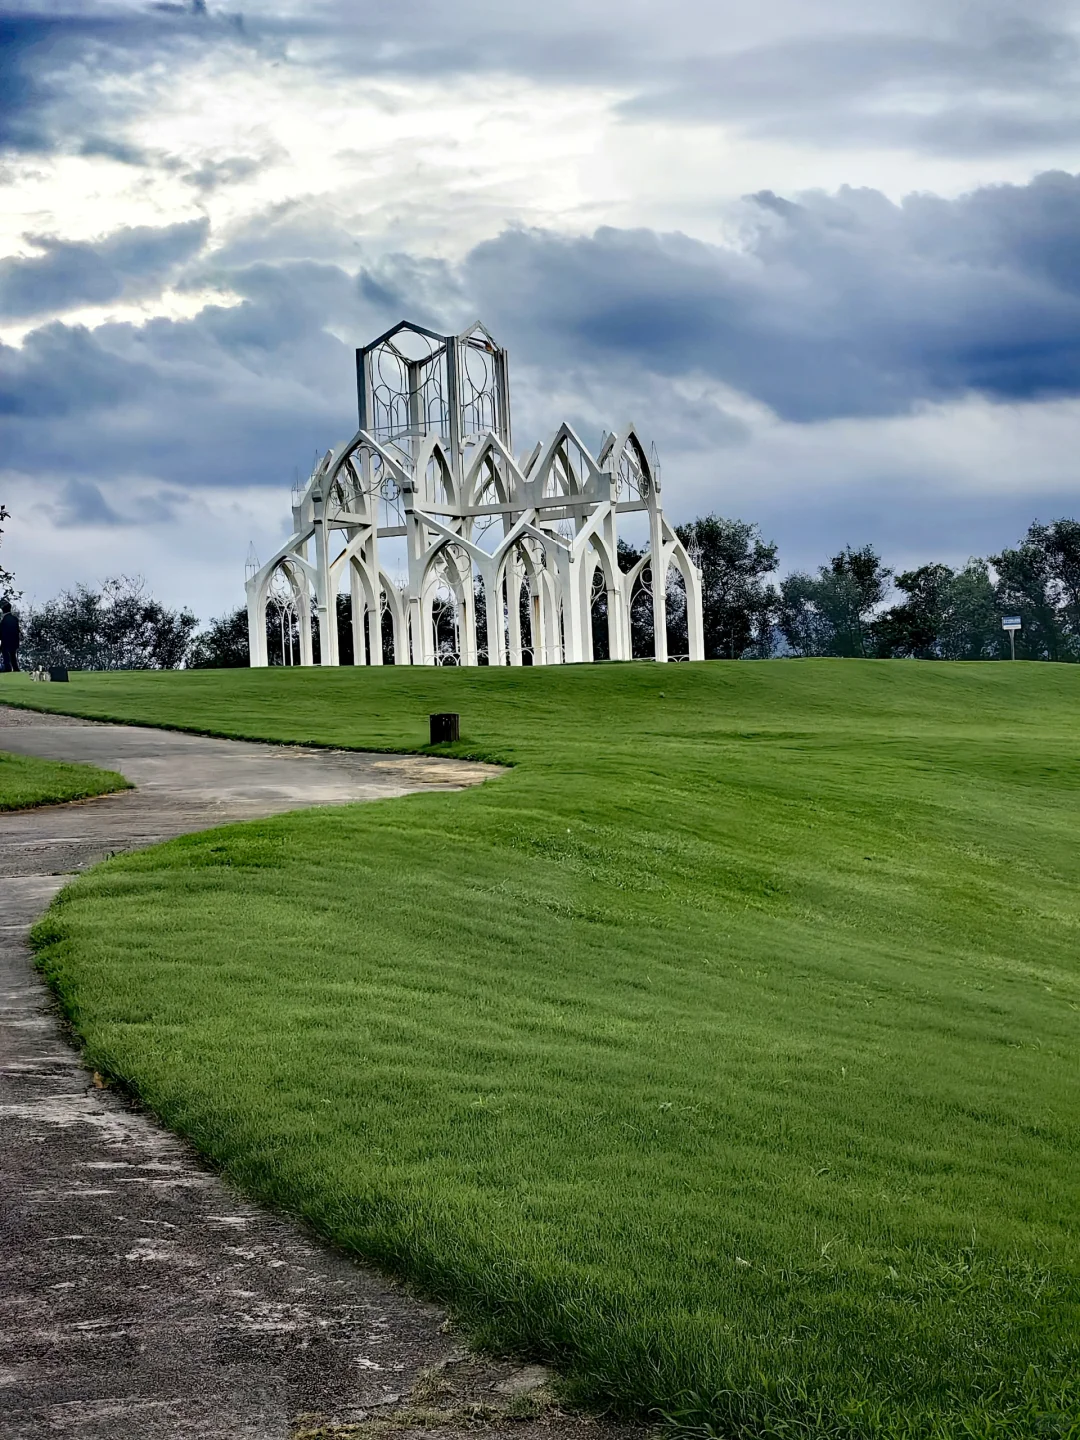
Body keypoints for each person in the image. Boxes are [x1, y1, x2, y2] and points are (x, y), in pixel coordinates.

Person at [0, 599, 19, 672]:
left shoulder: (4, 620)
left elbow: (2, 631)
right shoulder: (14, 619)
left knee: (6, 656)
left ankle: (7, 668)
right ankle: (15, 669)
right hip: (14, 641)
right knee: (13, 656)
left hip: (6, 641)